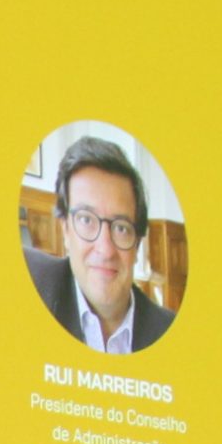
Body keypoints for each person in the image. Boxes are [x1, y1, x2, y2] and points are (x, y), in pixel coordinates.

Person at [28, 137, 175, 353]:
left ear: (137, 244)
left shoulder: (170, 333)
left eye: (121, 228)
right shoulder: (30, 288)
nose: (105, 250)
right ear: (66, 230)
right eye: (86, 220)